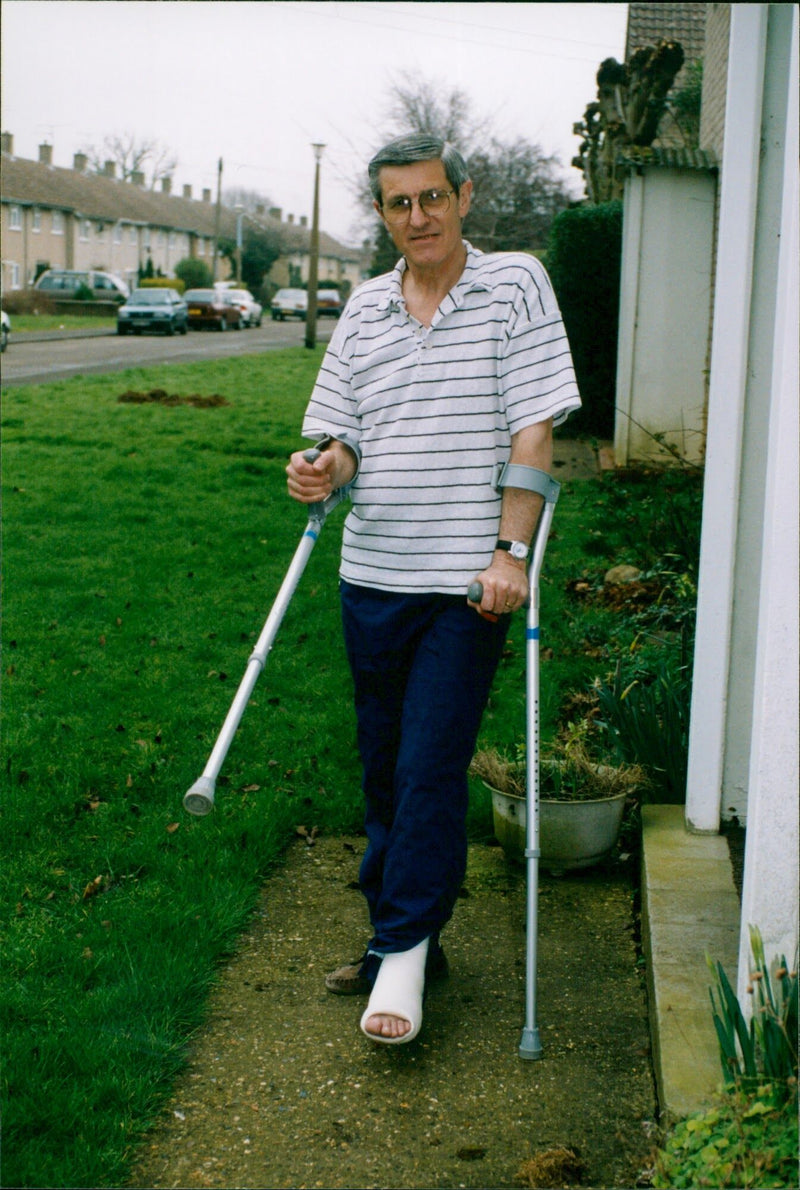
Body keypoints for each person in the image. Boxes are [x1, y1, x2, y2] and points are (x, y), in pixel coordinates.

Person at [286, 134, 581, 1044]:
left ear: (462, 196)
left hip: (465, 584)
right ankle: (400, 936)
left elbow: (535, 436)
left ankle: (402, 956)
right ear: (381, 214)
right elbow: (348, 435)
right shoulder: (365, 310)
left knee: (426, 766)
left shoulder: (517, 284)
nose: (417, 218)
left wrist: (510, 557)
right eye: (397, 205)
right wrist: (323, 466)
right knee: (384, 769)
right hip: (372, 572)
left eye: (430, 199)